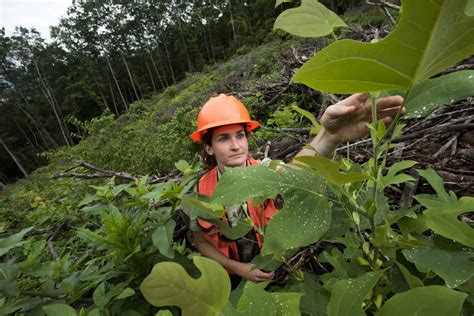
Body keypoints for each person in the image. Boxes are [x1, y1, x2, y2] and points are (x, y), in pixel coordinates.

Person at [188, 93, 404, 285]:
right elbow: (201, 242)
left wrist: (329, 136)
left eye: (240, 135)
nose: (236, 145)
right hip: (230, 278)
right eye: (224, 138)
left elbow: (296, 172)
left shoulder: (264, 172)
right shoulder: (199, 193)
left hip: (275, 268)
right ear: (209, 147)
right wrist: (237, 268)